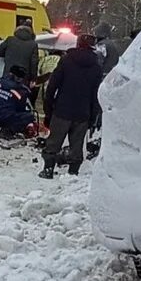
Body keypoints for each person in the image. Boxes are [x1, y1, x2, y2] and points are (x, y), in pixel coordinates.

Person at [40, 33, 103, 179]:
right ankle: (73, 172)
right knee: (77, 144)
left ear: (78, 43)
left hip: (62, 109)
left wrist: (48, 109)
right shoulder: (96, 67)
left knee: (54, 142)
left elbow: (52, 86)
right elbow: (96, 95)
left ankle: (48, 169)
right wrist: (93, 117)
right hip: (83, 112)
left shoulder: (66, 60)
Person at [0, 65, 37, 139]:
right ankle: (7, 131)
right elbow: (20, 109)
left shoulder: (1, 83)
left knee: (0, 110)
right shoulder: (21, 91)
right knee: (28, 116)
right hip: (4, 118)